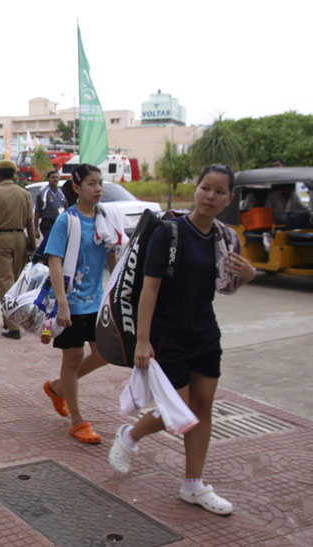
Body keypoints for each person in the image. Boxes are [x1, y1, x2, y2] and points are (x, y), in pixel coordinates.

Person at [107, 164, 256, 516]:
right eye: (206, 188)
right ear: (196, 188)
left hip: (205, 331)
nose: (211, 196)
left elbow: (225, 285)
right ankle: (129, 436)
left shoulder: (224, 237)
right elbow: (150, 288)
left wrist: (251, 275)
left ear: (228, 198)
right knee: (182, 408)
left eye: (220, 192)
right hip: (166, 335)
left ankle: (193, 485)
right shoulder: (170, 232)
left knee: (203, 406)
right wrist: (142, 341)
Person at [41, 164, 118, 444]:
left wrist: (119, 284)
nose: (98, 189)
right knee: (72, 358)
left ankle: (59, 387)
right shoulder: (67, 220)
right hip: (72, 302)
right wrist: (62, 302)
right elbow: (55, 261)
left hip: (97, 302)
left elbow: (111, 257)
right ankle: (77, 421)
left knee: (104, 354)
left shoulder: (106, 218)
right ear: (76, 188)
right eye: (91, 183)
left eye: (100, 183)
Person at [0, 159, 37, 339]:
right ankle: (14, 319)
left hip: (1, 238)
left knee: (5, 281)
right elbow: (29, 222)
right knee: (18, 282)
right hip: (20, 237)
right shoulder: (24, 193)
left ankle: (12, 327)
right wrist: (35, 248)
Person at [33, 170, 67, 241]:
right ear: (48, 179)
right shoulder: (43, 193)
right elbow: (37, 212)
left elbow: (65, 207)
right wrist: (36, 229)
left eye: (57, 177)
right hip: (48, 223)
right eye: (53, 177)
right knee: (50, 243)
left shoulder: (61, 193)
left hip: (59, 223)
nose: (55, 179)